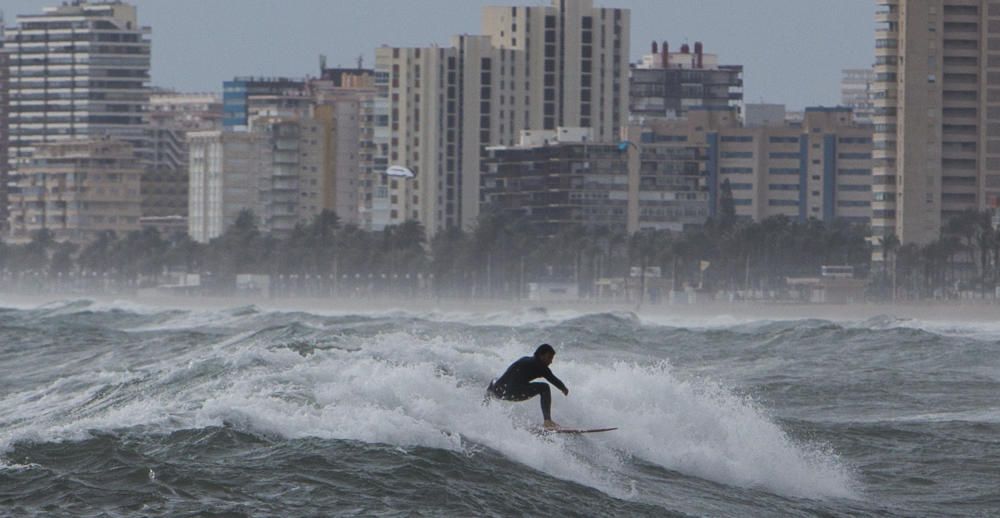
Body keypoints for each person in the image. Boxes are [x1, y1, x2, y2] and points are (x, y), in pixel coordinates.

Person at [487, 344, 568, 430]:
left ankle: (485, 405)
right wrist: (564, 389)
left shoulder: (527, 360)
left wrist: (562, 387)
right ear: (541, 355)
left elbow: (552, 378)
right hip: (511, 392)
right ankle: (547, 421)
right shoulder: (540, 367)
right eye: (549, 358)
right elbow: (553, 379)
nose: (551, 361)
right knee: (544, 388)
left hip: (498, 391)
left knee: (494, 380)